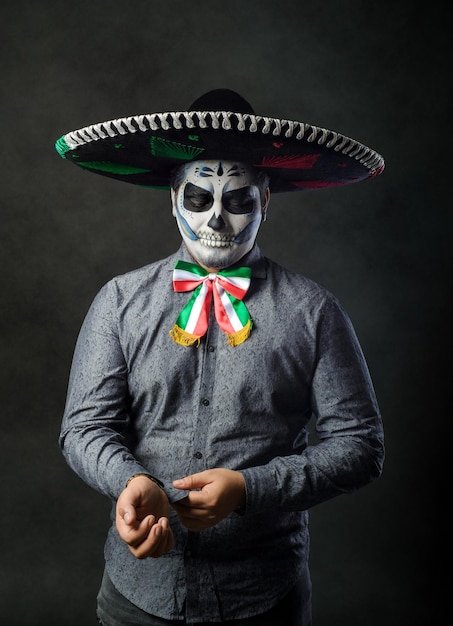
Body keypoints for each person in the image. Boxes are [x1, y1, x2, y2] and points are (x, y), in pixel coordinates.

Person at [56, 89, 385, 625]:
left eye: (237, 201)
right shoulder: (119, 301)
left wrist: (249, 490)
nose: (217, 220)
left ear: (265, 200)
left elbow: (361, 446)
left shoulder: (314, 311)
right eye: (198, 198)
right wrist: (129, 481)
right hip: (138, 595)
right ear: (172, 195)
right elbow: (83, 427)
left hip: (264, 596)